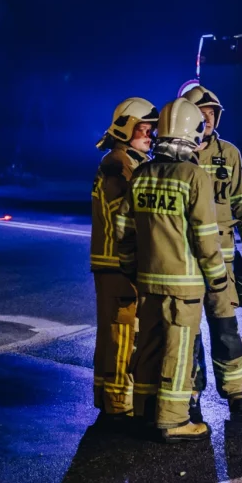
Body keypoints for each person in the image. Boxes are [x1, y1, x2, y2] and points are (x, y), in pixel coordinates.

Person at [115, 97, 227, 443]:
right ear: (190, 135)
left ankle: (145, 409)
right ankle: (174, 419)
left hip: (148, 282)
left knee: (148, 345)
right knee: (179, 352)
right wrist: (218, 277)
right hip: (185, 285)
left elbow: (123, 228)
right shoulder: (194, 176)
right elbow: (205, 236)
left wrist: (132, 269)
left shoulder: (143, 174)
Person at [182, 85, 242, 419]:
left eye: (212, 113)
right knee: (191, 334)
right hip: (186, 261)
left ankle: (236, 394)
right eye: (201, 113)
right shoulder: (177, 156)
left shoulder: (229, 154)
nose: (208, 118)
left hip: (222, 261)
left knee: (226, 329)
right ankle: (191, 394)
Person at [90, 97, 159, 423]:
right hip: (118, 264)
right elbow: (129, 218)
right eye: (144, 129)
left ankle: (108, 396)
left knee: (113, 332)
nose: (150, 136)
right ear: (126, 129)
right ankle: (118, 402)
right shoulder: (120, 164)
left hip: (112, 263)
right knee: (122, 334)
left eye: (152, 130)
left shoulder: (123, 160)